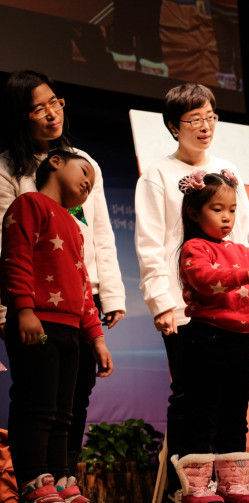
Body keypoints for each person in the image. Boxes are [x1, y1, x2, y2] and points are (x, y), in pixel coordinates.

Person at [0, 70, 126, 475]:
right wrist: (12, 309)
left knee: (75, 396)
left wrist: (111, 295)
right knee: (37, 396)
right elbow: (8, 246)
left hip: (80, 300)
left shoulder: (82, 163)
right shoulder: (8, 168)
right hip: (31, 304)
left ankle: (65, 477)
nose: (52, 114)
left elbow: (101, 232)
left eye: (55, 102)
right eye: (39, 108)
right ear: (20, 115)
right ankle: (35, 480)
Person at [134, 83, 249, 502]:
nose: (205, 126)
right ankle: (185, 488)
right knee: (190, 398)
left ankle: (229, 484)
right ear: (173, 126)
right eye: (195, 119)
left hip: (231, 307)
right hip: (184, 307)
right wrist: (162, 302)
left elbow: (242, 239)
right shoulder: (157, 174)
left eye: (210, 117)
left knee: (230, 399)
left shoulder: (227, 168)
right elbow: (151, 243)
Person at [1, 149, 114, 503]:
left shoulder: (75, 226)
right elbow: (16, 259)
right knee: (36, 405)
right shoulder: (28, 204)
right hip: (38, 323)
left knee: (64, 412)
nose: (88, 183)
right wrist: (24, 308)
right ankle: (33, 479)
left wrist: (96, 337)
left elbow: (82, 284)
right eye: (84, 172)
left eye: (92, 183)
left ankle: (60, 476)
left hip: (71, 330)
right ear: (55, 162)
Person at [169, 170, 249, 503]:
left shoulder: (242, 250)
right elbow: (207, 281)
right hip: (207, 339)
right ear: (194, 212)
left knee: (235, 414)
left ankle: (233, 485)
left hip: (242, 342)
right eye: (217, 209)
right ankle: (197, 488)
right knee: (202, 413)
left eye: (231, 209)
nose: (227, 217)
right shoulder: (194, 248)